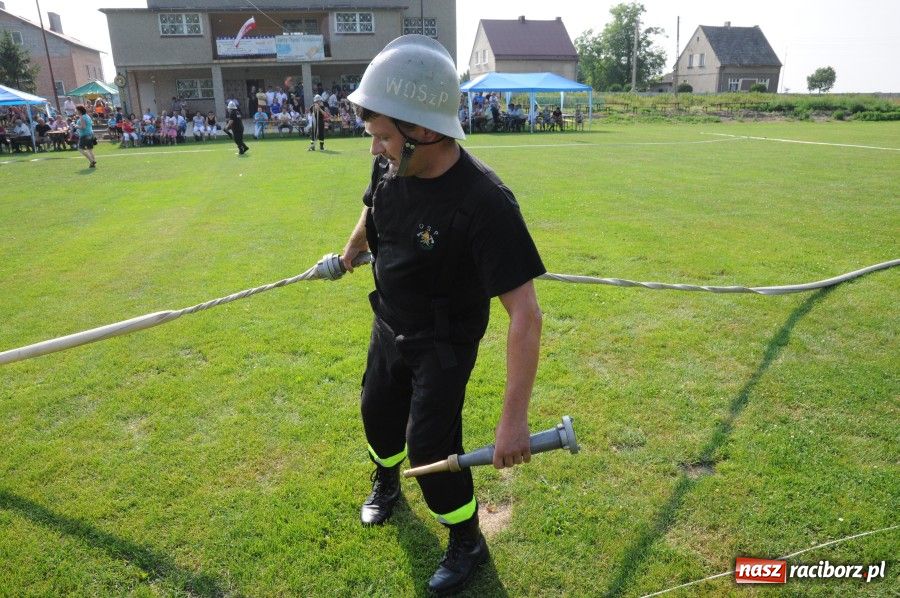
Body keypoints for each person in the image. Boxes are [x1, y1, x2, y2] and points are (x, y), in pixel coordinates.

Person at [341, 34, 545, 595]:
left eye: (383, 136)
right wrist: (351, 251)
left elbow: (525, 315)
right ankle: (386, 483)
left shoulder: (485, 203)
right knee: (377, 413)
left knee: (433, 450)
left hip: (443, 342)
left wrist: (514, 421)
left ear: (423, 131)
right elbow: (372, 210)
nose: (375, 147)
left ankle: (466, 540)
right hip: (390, 322)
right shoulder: (393, 166)